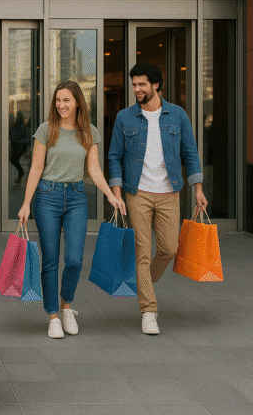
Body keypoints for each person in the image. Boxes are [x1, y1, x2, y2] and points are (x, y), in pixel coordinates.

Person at [18, 81, 126, 339]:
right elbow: (35, 167)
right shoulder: (47, 130)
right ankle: (53, 316)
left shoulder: (89, 132)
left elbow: (94, 169)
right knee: (51, 261)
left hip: (77, 197)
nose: (61, 105)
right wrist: (25, 203)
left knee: (75, 260)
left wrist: (112, 196)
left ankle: (67, 305)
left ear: (77, 102)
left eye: (66, 100)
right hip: (47, 197)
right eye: (58, 100)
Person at [108, 63, 207, 335]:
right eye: (134, 85)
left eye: (142, 84)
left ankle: (142, 283)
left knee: (169, 249)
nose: (137, 90)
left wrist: (198, 189)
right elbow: (114, 156)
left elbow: (190, 153)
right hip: (136, 192)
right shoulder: (124, 118)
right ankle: (148, 310)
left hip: (169, 193)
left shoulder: (177, 115)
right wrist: (117, 193)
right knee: (142, 251)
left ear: (156, 85)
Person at [9, 111, 30, 184]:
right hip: (20, 145)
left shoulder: (18, 125)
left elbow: (14, 134)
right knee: (14, 159)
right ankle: (20, 175)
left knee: (13, 159)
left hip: (18, 145)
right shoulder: (22, 125)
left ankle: (21, 173)